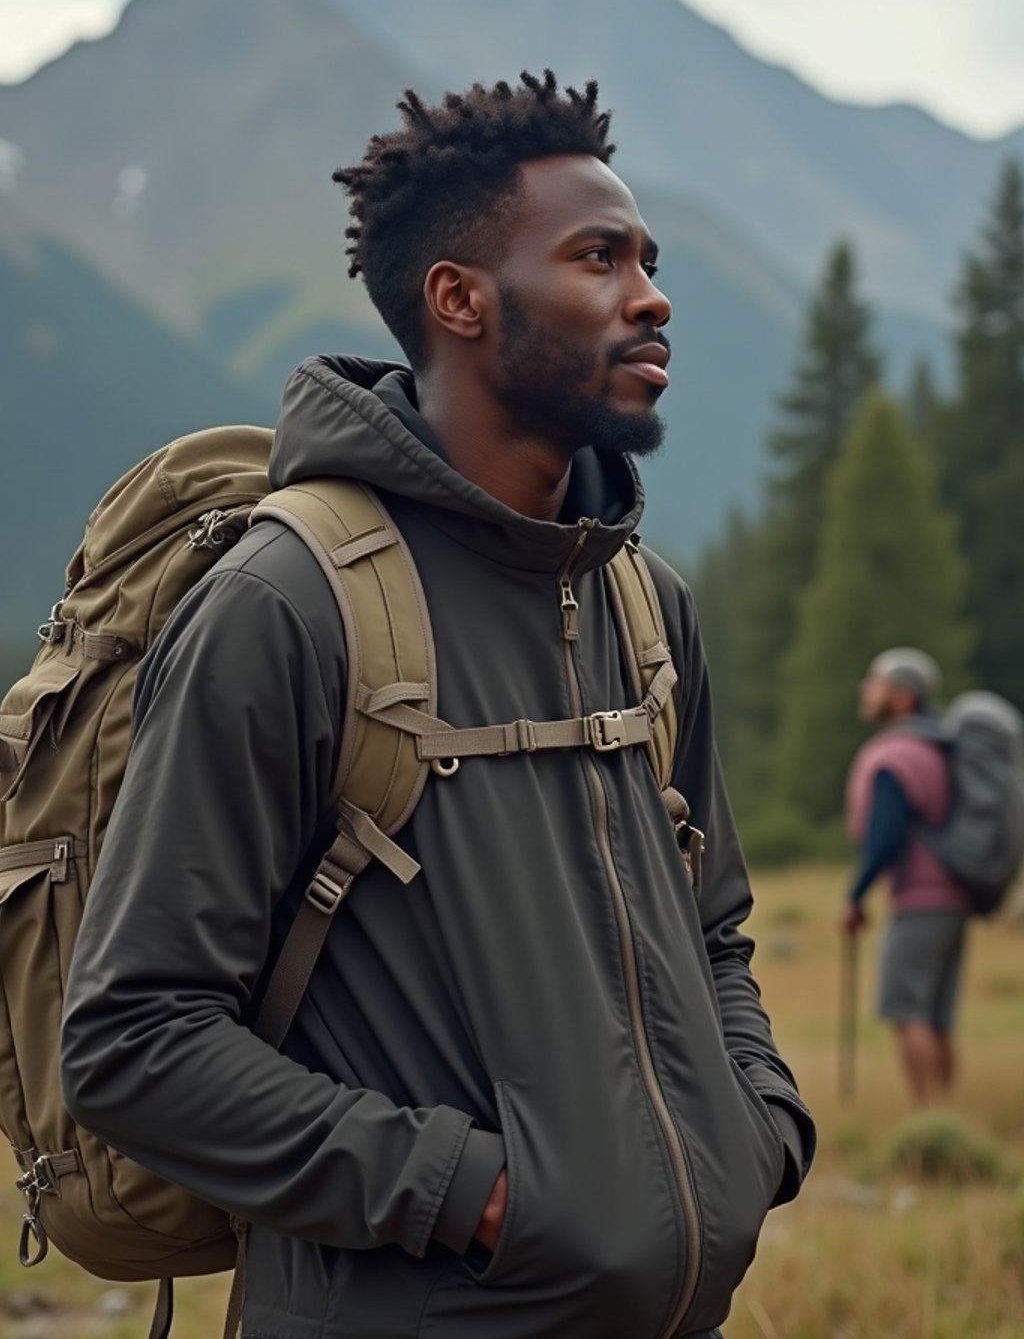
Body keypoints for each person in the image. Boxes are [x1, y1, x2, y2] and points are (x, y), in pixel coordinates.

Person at [60, 72, 814, 1339]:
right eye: (598, 258)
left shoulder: (645, 607)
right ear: (458, 299)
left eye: (648, 258)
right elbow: (132, 1040)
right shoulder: (289, 605)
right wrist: (476, 1198)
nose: (652, 295)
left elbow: (716, 933)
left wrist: (759, 1133)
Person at [842, 647, 972, 1104]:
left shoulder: (895, 756)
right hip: (954, 897)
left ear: (902, 698)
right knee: (937, 1016)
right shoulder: (937, 748)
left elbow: (885, 838)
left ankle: (926, 1114)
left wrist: (856, 895)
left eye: (875, 683)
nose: (866, 690)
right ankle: (946, 1112)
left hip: (919, 898)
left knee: (904, 1009)